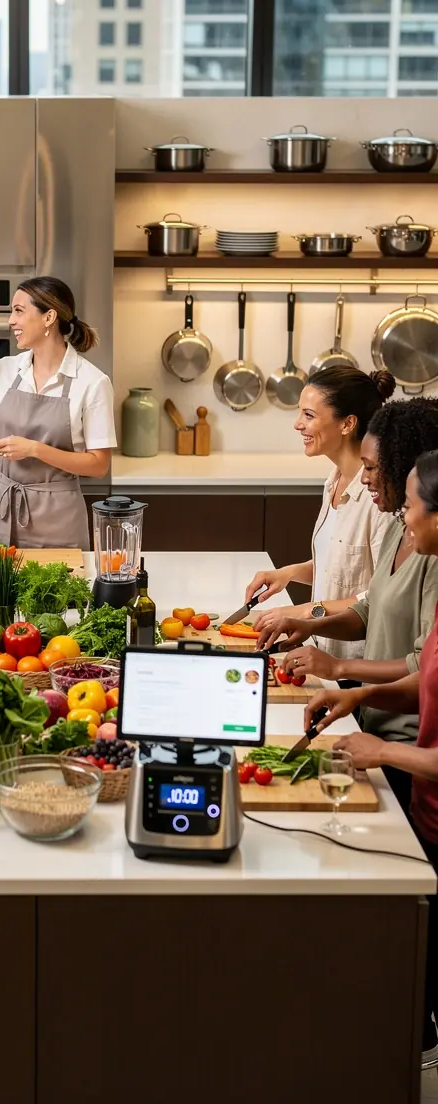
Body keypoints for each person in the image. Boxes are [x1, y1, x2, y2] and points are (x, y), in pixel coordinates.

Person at [302, 450, 438, 1064]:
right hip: (412, 780)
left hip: (410, 767)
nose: (401, 514)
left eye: (410, 504)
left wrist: (382, 747)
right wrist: (357, 693)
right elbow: (419, 670)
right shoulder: (402, 539)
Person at [259, 397, 438, 811]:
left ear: (407, 469)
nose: (365, 478)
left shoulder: (429, 552)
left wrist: (339, 669)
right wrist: (313, 626)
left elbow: (422, 665)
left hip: (405, 740)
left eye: (371, 468)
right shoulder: (401, 527)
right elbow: (369, 609)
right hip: (374, 721)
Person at [0, 277, 115, 550]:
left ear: (49, 317)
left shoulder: (92, 382)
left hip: (56, 522)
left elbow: (99, 465)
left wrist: (35, 449)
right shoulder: (4, 369)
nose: (11, 321)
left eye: (19, 311)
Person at [246, 366, 396, 664]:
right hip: (322, 652)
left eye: (309, 415)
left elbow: (379, 595)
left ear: (347, 423)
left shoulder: (379, 499)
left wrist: (307, 610)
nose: (297, 424)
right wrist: (289, 573)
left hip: (356, 666)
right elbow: (344, 567)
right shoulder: (334, 481)